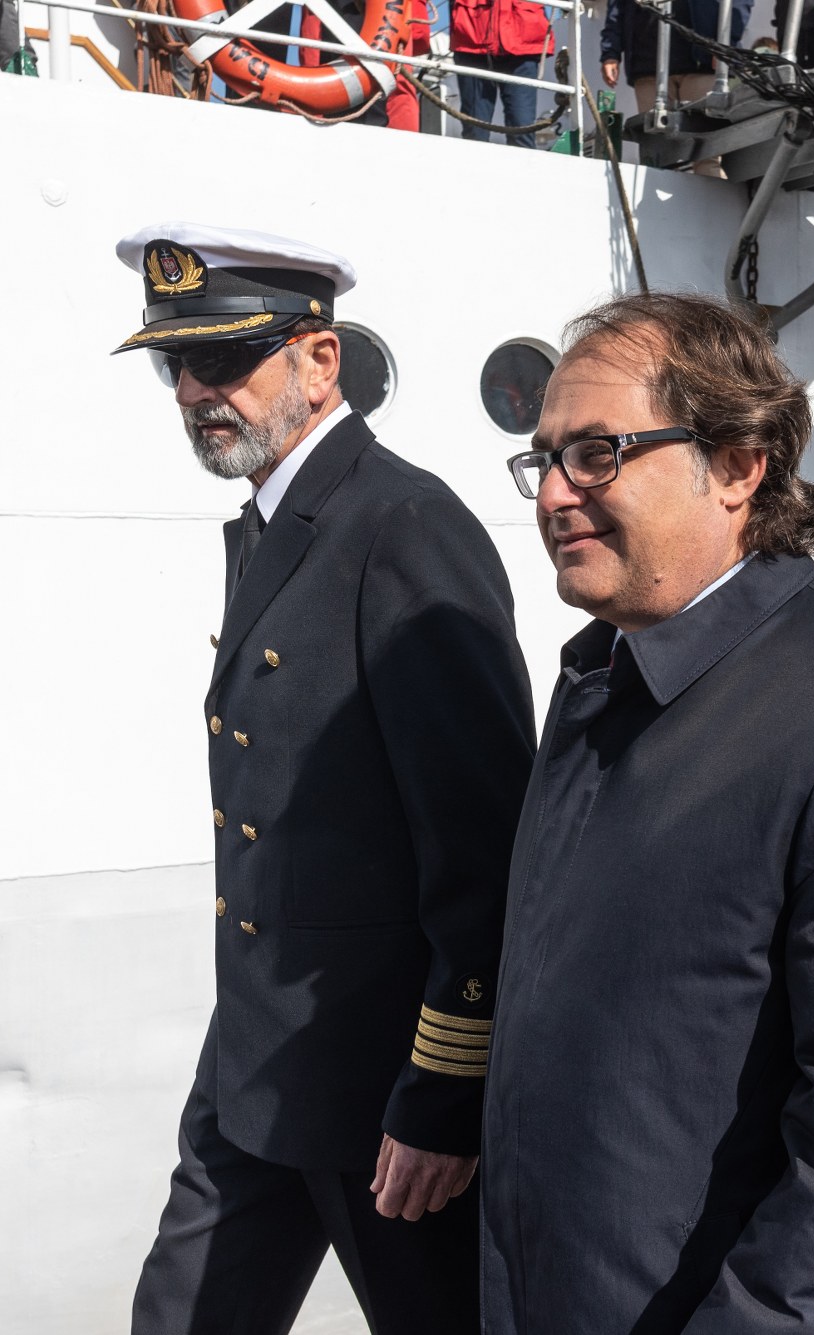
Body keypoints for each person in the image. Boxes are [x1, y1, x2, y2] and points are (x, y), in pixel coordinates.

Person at [481, 292, 814, 1334]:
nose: (551, 493)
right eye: (543, 459)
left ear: (737, 465)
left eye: (595, 453)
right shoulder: (600, 682)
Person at [114, 224, 536, 1335]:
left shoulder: (403, 527)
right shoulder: (277, 522)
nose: (194, 392)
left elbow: (488, 844)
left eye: (223, 358)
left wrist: (444, 1095)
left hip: (380, 1091)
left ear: (319, 359)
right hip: (258, 1059)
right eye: (175, 366)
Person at [599, 0, 747, 176]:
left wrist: (726, 42)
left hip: (702, 64)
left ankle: (712, 193)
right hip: (648, 67)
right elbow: (617, 8)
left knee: (708, 157)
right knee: (654, 156)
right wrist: (610, 53)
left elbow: (740, 3)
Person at [451, 0, 552, 148]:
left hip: (522, 43)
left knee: (522, 128)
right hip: (472, 40)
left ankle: (522, 163)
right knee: (475, 132)